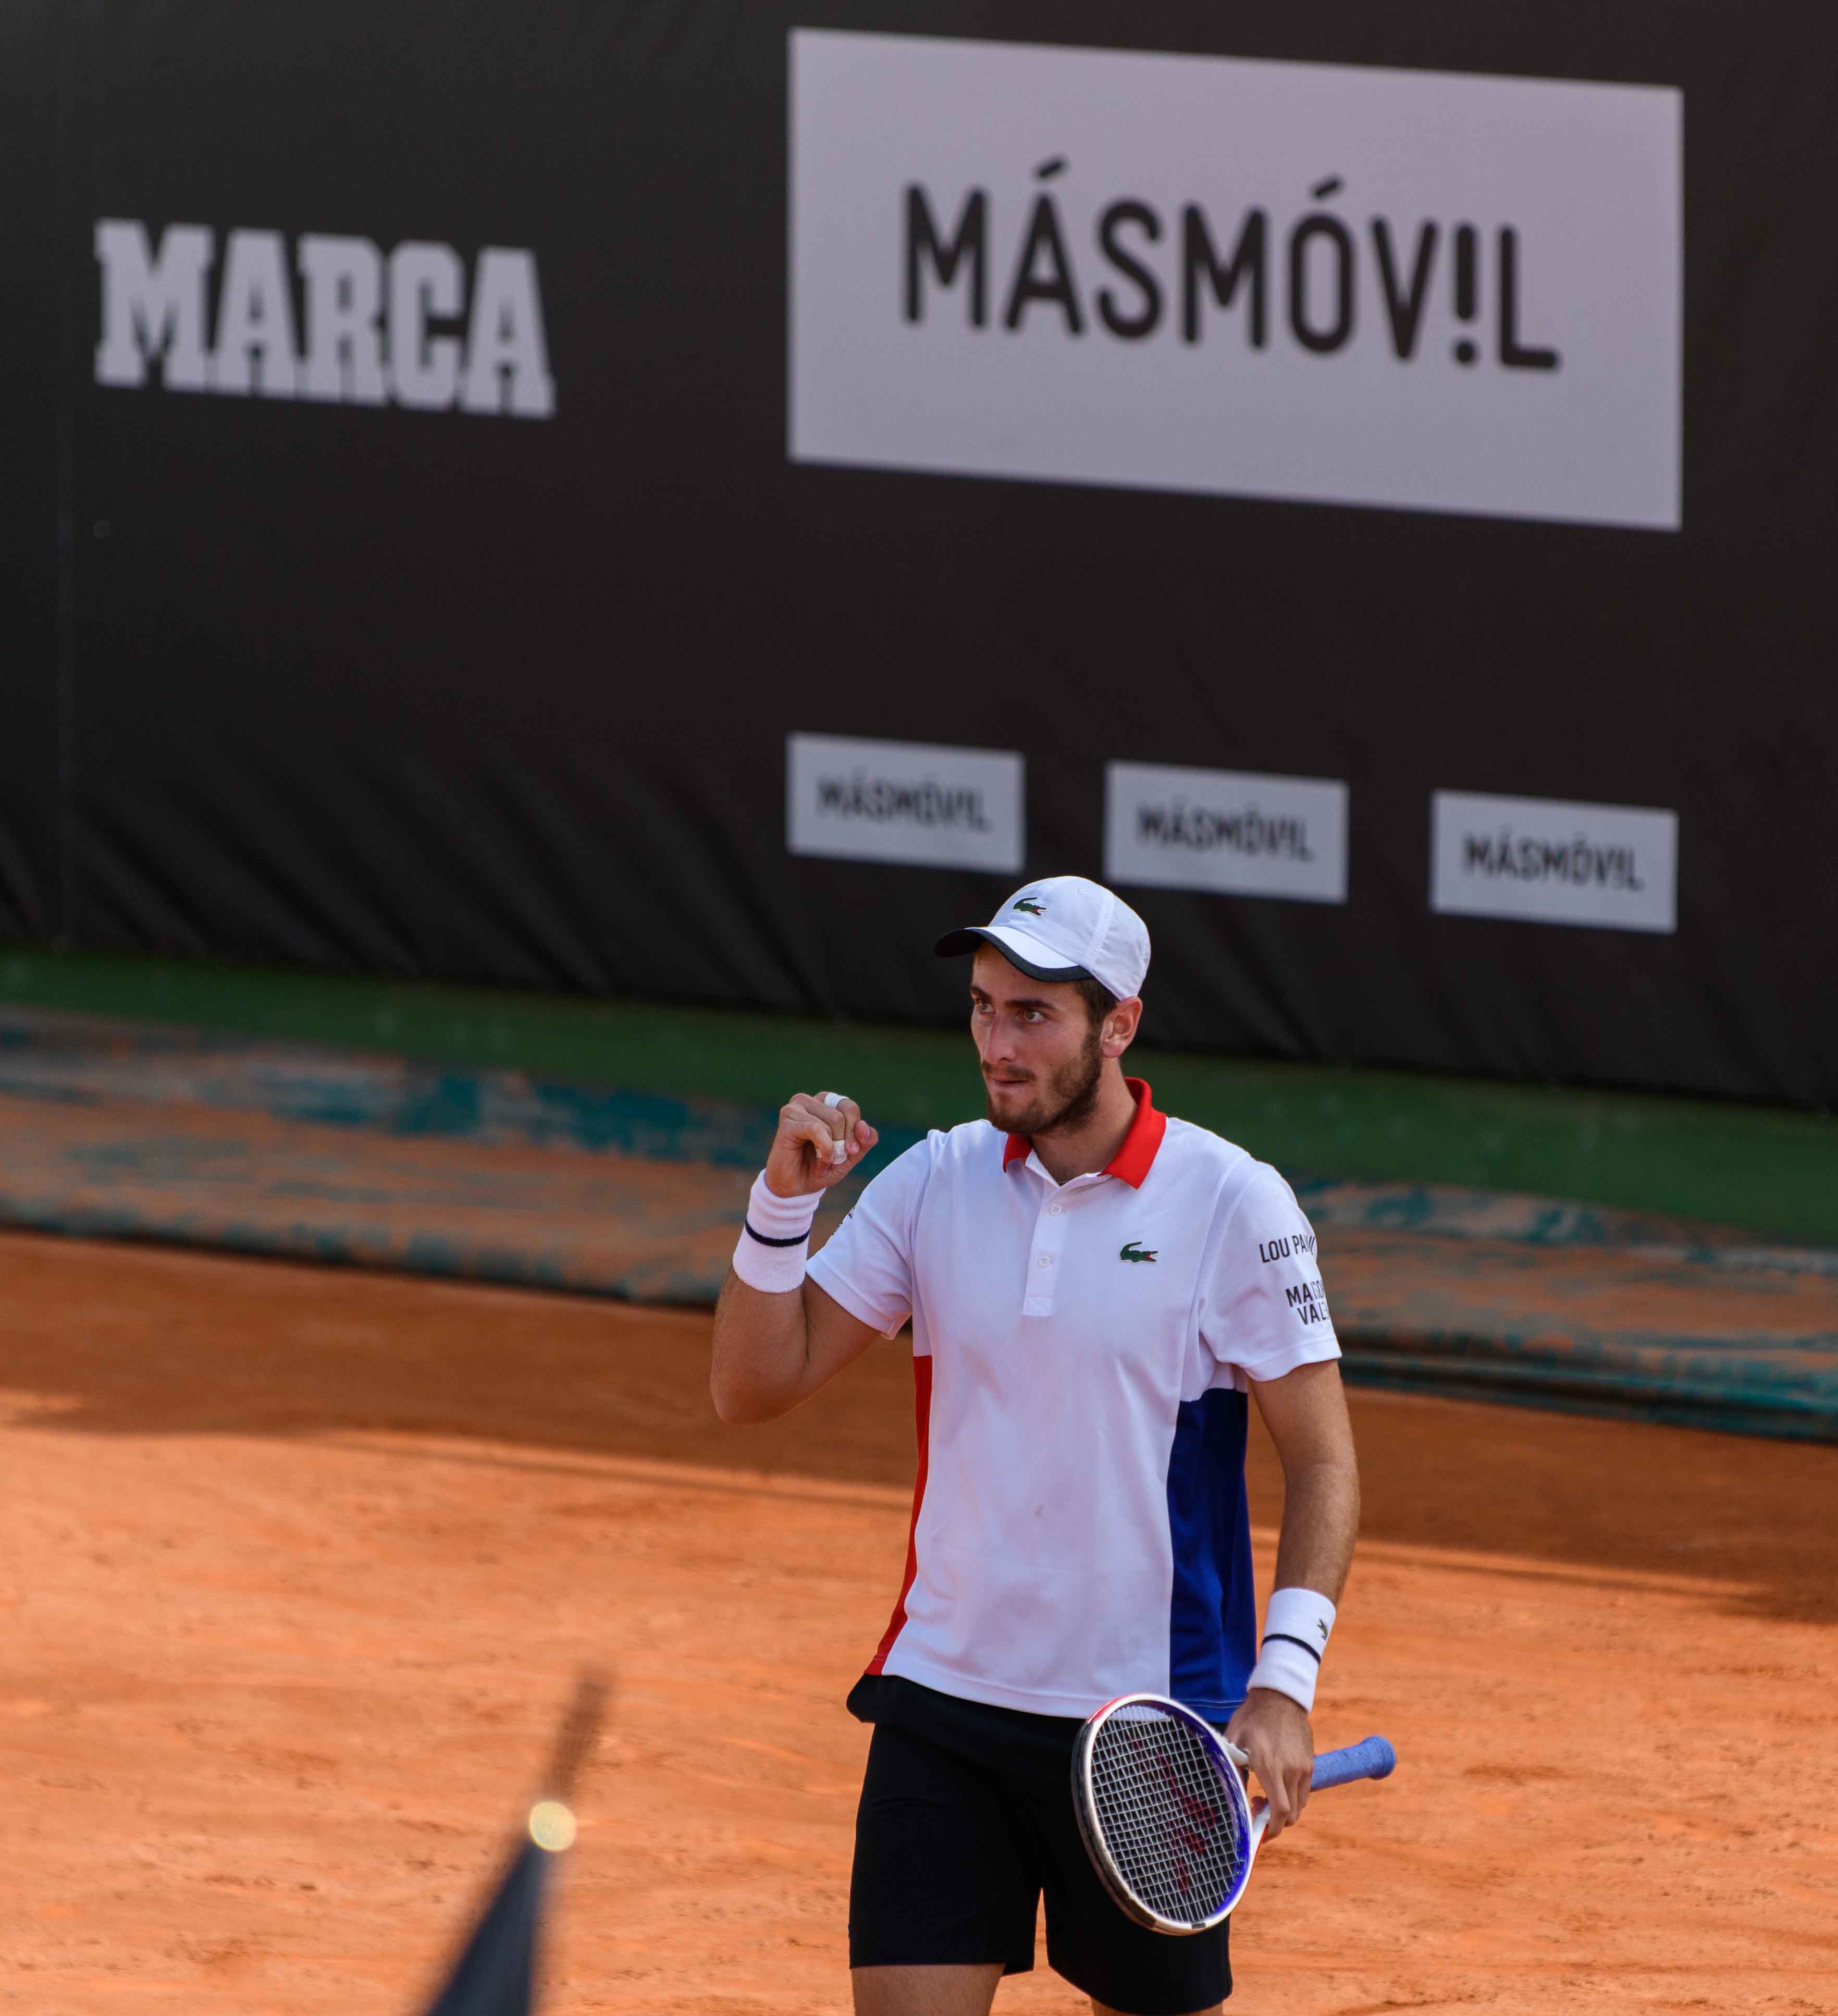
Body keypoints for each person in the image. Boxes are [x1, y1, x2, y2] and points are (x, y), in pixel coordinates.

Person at [710, 875, 1360, 2016]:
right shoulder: (934, 1181)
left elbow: (1324, 1460)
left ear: (1120, 1024)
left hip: (1151, 1719)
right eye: (981, 1007)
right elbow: (754, 1385)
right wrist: (780, 1206)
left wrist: (1286, 1683)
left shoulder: (1231, 1201)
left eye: (1032, 1015)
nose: (995, 1045)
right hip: (944, 1698)